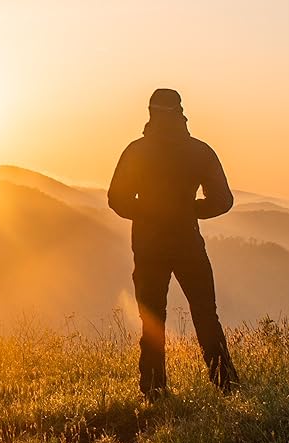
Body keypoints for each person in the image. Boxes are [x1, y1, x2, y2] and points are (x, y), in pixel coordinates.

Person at [108, 88, 239, 399]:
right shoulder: (199, 151)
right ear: (181, 112)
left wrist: (148, 211)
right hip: (188, 244)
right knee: (206, 314)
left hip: (148, 245)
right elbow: (223, 200)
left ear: (150, 113)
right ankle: (227, 386)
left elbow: (116, 199)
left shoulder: (136, 151)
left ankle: (154, 390)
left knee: (152, 318)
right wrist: (189, 209)